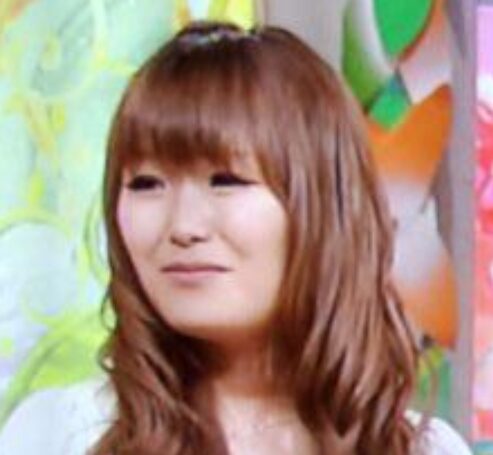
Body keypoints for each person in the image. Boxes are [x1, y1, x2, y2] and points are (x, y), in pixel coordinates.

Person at [0, 21, 472, 455]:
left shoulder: (423, 449)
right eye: (145, 184)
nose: (182, 226)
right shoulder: (59, 434)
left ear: (322, 205)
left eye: (226, 181)